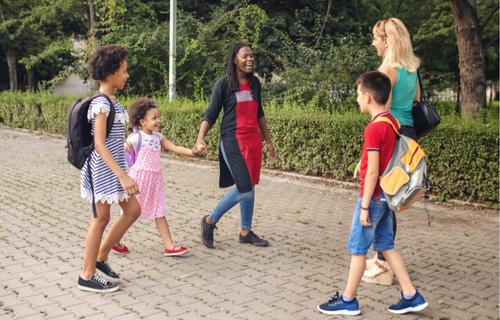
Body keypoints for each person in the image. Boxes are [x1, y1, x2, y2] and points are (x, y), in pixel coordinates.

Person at [317, 71, 428, 316]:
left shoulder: (373, 129)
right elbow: (382, 156)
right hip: (387, 197)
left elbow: (373, 172)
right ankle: (411, 295)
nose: (356, 99)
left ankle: (348, 300)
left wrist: (365, 205)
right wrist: (362, 160)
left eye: (358, 94)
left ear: (368, 97)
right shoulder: (391, 121)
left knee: (358, 249)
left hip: (374, 198)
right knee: (387, 245)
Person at [194, 42, 277, 249]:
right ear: (235, 59)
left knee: (250, 185)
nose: (250, 59)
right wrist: (200, 138)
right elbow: (211, 113)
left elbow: (260, 114)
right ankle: (210, 220)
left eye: (252, 56)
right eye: (245, 56)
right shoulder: (224, 84)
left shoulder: (255, 83)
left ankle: (245, 231)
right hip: (232, 140)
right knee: (244, 187)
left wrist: (268, 140)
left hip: (253, 140)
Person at [360, 18, 421, 285]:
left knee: (381, 197)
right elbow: (416, 100)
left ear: (387, 41)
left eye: (376, 38)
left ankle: (382, 264)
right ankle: (382, 258)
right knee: (391, 196)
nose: (373, 42)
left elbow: (379, 105)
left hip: (390, 135)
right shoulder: (411, 69)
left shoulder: (388, 70)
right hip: (408, 137)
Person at [78, 44, 141, 293]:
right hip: (102, 171)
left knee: (133, 210)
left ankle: (101, 258)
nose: (126, 75)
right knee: (100, 219)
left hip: (114, 169)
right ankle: (86, 274)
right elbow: (99, 144)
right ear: (111, 73)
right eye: (124, 71)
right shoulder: (101, 103)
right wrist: (123, 175)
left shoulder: (114, 101)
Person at [113, 98, 197, 256]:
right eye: (154, 118)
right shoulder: (135, 137)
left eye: (158, 117)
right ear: (143, 122)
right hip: (138, 181)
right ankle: (114, 241)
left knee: (159, 211)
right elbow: (120, 152)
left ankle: (169, 246)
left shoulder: (158, 137)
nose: (158, 120)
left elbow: (174, 147)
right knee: (128, 214)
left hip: (155, 181)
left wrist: (192, 152)